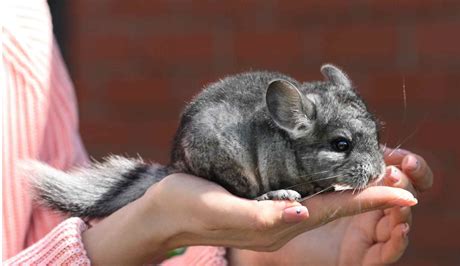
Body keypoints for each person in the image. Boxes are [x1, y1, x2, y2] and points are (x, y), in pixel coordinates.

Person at [3, 0, 433, 265]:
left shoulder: (25, 29)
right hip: (222, 150)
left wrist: (249, 252)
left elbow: (65, 239)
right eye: (342, 147)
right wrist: (154, 223)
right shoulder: (19, 35)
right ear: (294, 123)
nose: (370, 164)